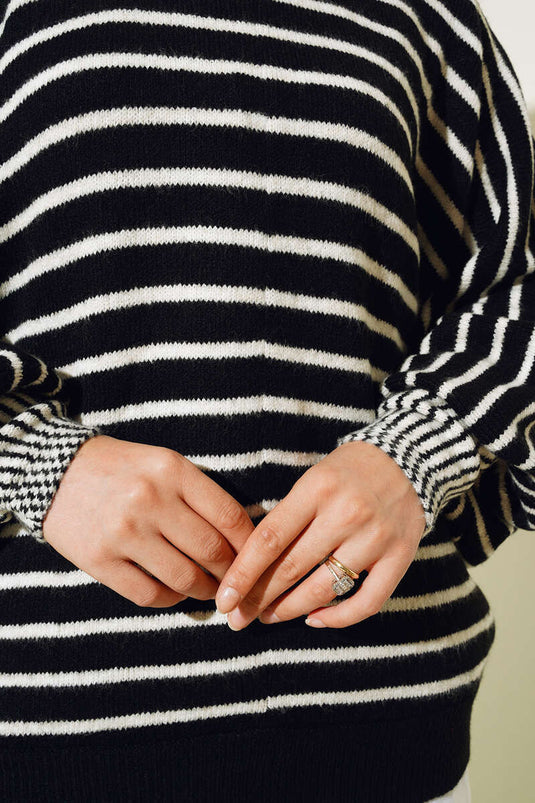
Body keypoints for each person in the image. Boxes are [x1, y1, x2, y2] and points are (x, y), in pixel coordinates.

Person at [0, 0, 533, 800]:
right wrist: (33, 463)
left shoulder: (424, 18)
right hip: (55, 720)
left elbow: (515, 286)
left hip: (382, 712)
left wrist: (418, 450)